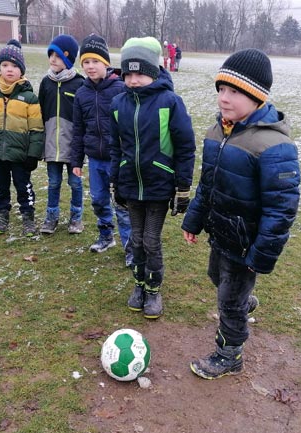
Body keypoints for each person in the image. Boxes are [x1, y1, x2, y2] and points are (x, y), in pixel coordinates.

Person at [181, 49, 301, 379]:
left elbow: (282, 209)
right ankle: (242, 300)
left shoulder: (274, 145)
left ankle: (229, 353)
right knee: (216, 279)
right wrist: (193, 218)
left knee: (229, 302)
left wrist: (262, 255)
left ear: (256, 96)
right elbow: (207, 185)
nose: (224, 98)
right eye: (221, 89)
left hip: (246, 244)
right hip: (221, 233)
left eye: (234, 91)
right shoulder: (217, 133)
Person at [110, 37, 196, 319]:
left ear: (154, 71)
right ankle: (139, 286)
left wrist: (182, 186)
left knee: (150, 240)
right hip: (131, 187)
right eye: (129, 74)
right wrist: (116, 181)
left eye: (140, 73)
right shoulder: (117, 104)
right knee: (135, 240)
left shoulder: (170, 102)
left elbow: (185, 146)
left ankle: (154, 289)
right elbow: (115, 146)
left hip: (159, 187)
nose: (134, 80)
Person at [0, 40, 44, 236]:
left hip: (20, 155)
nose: (9, 70)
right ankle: (2, 215)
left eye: (14, 66)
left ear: (21, 70)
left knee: (23, 186)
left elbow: (37, 128)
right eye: (5, 65)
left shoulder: (29, 97)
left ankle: (28, 217)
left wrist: (33, 155)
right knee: (0, 186)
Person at [70, 34, 132, 262]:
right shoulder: (81, 93)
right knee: (98, 200)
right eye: (86, 62)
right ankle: (106, 235)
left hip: (118, 159)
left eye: (95, 61)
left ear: (106, 62)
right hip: (94, 159)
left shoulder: (121, 89)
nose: (90, 66)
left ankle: (130, 247)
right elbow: (78, 130)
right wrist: (76, 161)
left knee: (122, 204)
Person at [39, 34, 85, 235]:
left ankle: (76, 218)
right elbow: (39, 113)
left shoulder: (79, 84)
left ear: (67, 58)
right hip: (51, 145)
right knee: (54, 183)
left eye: (57, 56)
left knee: (75, 183)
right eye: (50, 54)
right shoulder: (45, 83)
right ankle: (51, 217)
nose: (52, 59)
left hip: (73, 147)